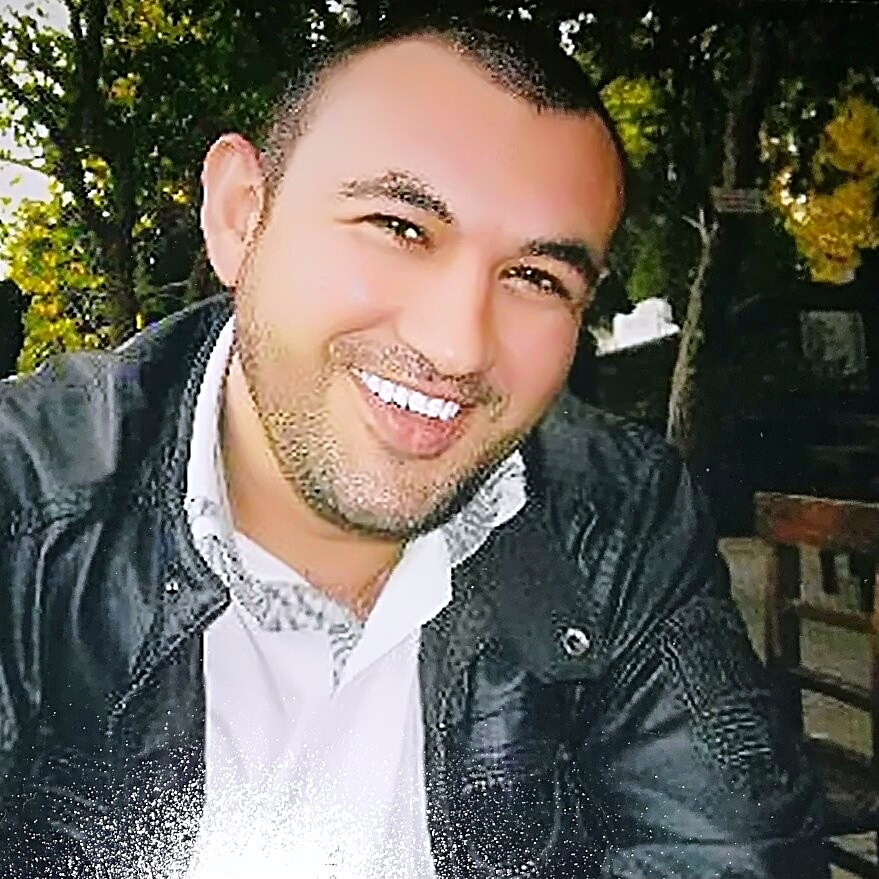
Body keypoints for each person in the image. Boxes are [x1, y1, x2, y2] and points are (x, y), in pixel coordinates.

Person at [0, 13, 829, 879]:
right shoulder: (25, 506)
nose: (457, 345)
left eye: (536, 277)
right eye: (399, 227)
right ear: (242, 215)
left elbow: (733, 855)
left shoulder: (617, 515)